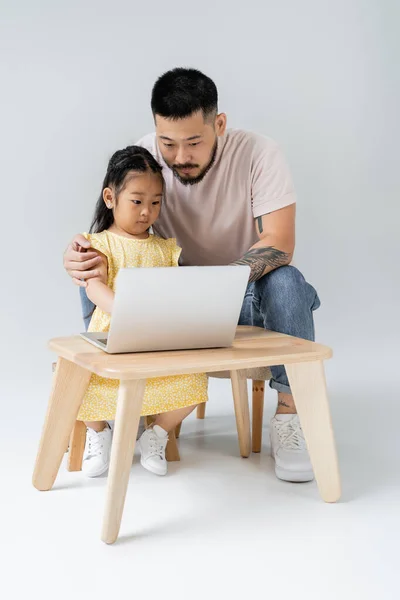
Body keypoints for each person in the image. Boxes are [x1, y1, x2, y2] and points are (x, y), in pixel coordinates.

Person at [64, 67, 321, 483]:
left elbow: (279, 241)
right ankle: (107, 396)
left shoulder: (259, 152)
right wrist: (77, 255)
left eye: (194, 142)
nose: (180, 157)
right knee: (96, 266)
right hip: (171, 300)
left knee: (288, 281)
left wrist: (217, 288)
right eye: (168, 142)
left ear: (219, 124)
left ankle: (292, 415)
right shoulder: (146, 158)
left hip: (242, 294)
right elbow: (119, 227)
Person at [76, 144, 207, 478]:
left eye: (155, 202)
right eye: (136, 201)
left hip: (154, 337)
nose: (146, 212)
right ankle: (99, 433)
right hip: (112, 334)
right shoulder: (100, 244)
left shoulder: (165, 249)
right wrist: (125, 311)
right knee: (79, 383)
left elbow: (175, 292)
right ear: (110, 197)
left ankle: (157, 433)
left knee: (194, 382)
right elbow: (94, 287)